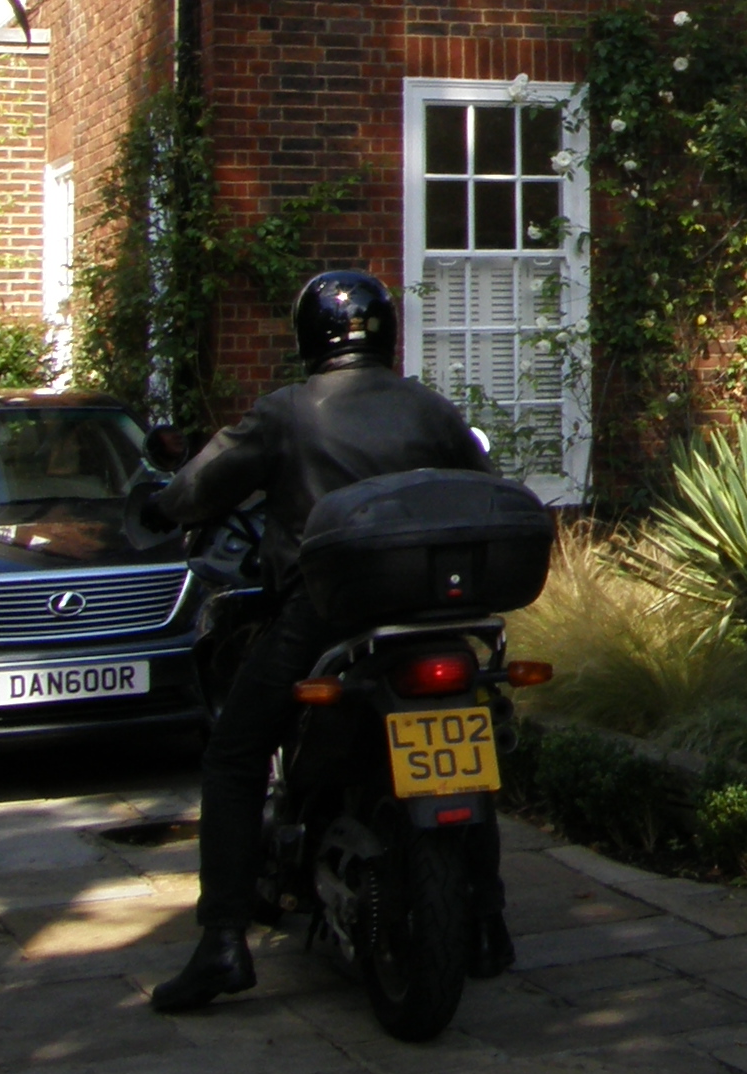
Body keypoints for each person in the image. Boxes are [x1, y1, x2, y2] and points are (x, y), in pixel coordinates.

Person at [139, 270, 502, 1014]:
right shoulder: (429, 408)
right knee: (466, 749)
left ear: (309, 336)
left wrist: (158, 506)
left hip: (326, 614)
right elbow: (483, 482)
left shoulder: (287, 413)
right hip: (431, 617)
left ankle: (222, 941)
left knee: (235, 754)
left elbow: (201, 486)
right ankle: (489, 923)